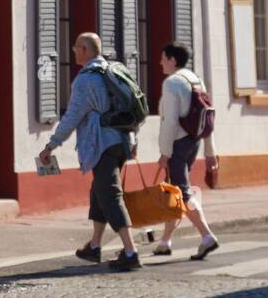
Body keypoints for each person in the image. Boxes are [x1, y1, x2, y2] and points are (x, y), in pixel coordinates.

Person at [37, 31, 142, 272]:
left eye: (76, 47)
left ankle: (130, 251)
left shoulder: (86, 80)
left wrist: (51, 145)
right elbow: (132, 108)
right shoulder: (115, 72)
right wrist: (134, 139)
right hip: (120, 141)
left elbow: (72, 117)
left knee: (110, 195)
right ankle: (94, 246)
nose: (73, 50)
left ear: (85, 51)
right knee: (99, 192)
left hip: (102, 143)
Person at [153, 41, 220, 260]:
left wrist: (165, 152)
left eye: (163, 58)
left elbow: (170, 121)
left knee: (181, 191)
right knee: (176, 190)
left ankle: (207, 236)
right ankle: (165, 241)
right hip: (194, 141)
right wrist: (210, 152)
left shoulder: (172, 82)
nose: (161, 62)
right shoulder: (195, 79)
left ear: (173, 60)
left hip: (178, 144)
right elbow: (207, 118)